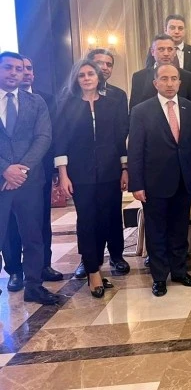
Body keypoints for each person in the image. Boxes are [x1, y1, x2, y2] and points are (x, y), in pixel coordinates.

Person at [128, 64, 191, 297]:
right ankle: (160, 277)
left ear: (180, 82)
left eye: (174, 78)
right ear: (155, 83)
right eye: (164, 79)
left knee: (179, 229)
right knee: (156, 231)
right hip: (154, 182)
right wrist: (136, 184)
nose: (169, 83)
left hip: (184, 179)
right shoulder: (141, 111)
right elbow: (135, 151)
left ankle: (180, 272)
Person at [55, 59, 128, 298]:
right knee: (87, 221)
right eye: (82, 75)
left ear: (98, 77)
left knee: (106, 220)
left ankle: (99, 264)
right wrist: (63, 174)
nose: (86, 78)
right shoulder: (67, 105)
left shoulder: (111, 104)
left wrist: (125, 168)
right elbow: (60, 141)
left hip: (109, 172)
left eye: (90, 74)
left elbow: (119, 139)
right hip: (80, 174)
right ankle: (93, 271)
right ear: (76, 80)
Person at [2, 56, 62, 294]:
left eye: (19, 69)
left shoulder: (36, 102)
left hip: (29, 181)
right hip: (1, 180)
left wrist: (21, 169)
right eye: (8, 67)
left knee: (33, 235)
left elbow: (43, 137)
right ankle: (13, 272)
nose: (14, 73)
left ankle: (34, 286)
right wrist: (5, 169)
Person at [71, 48, 131, 279]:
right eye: (99, 63)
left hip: (110, 166)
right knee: (87, 216)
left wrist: (124, 167)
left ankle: (116, 255)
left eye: (108, 64)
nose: (104, 67)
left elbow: (121, 132)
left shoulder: (117, 95)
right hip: (83, 169)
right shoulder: (71, 101)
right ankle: (89, 260)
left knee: (112, 212)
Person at [145, 14, 191, 104]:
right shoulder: (155, 51)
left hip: (186, 102)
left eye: (180, 28)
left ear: (185, 31)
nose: (176, 32)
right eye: (172, 28)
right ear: (165, 30)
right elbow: (149, 74)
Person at [130, 34, 191, 109]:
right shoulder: (139, 77)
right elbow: (134, 109)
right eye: (161, 49)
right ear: (152, 52)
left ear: (175, 52)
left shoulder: (187, 77)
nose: (166, 54)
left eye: (170, 49)